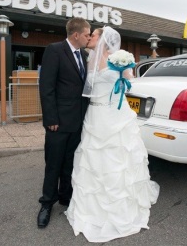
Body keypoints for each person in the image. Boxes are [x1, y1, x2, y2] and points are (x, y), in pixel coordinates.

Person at [65, 26, 160, 243]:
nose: (90, 37)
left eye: (94, 35)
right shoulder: (88, 58)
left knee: (118, 158)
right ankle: (92, 207)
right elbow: (86, 86)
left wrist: (125, 70)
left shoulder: (117, 58)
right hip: (95, 114)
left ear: (103, 40)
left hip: (116, 114)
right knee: (94, 158)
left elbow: (128, 83)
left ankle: (121, 206)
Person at [37, 17, 91, 229]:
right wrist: (51, 119)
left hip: (77, 122)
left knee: (70, 163)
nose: (89, 38)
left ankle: (65, 198)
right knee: (54, 164)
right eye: (87, 34)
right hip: (58, 123)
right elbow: (46, 87)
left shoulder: (85, 55)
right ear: (76, 34)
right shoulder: (55, 50)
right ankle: (46, 204)